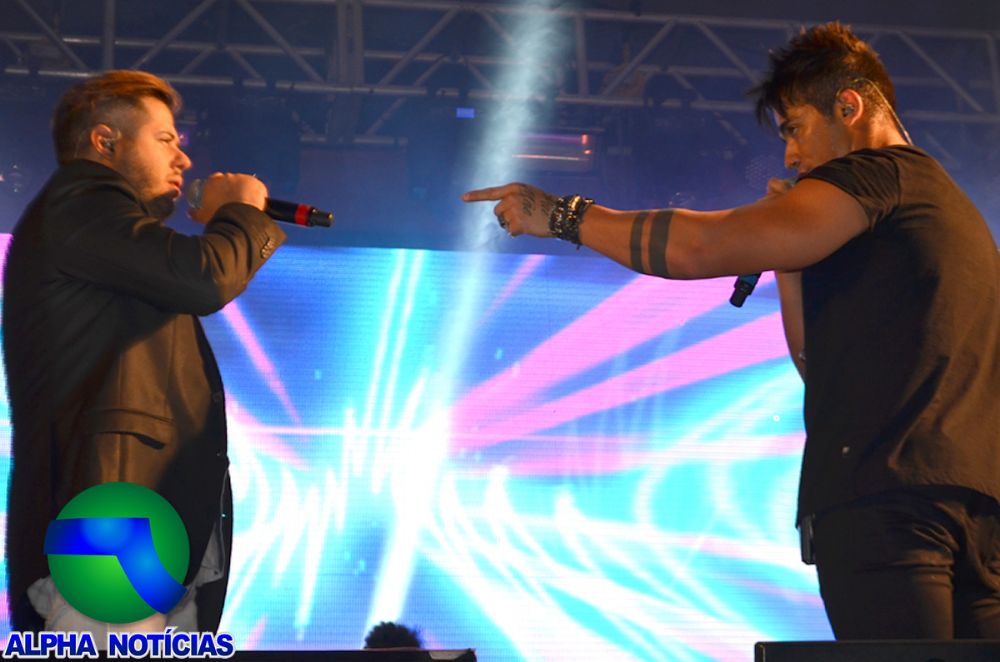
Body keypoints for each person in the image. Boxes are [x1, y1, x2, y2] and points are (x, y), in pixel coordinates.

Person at [464, 22, 1000, 639]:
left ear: (848, 107)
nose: (791, 156)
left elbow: (699, 246)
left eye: (794, 129)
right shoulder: (945, 206)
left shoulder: (876, 177)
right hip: (976, 512)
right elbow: (816, 364)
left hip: (889, 507)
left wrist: (564, 216)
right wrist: (788, 257)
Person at [3, 70, 286, 635]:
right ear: (105, 141)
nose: (184, 158)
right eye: (165, 140)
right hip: (108, 528)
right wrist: (240, 213)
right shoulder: (80, 203)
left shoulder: (108, 236)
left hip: (125, 527)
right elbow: (204, 278)